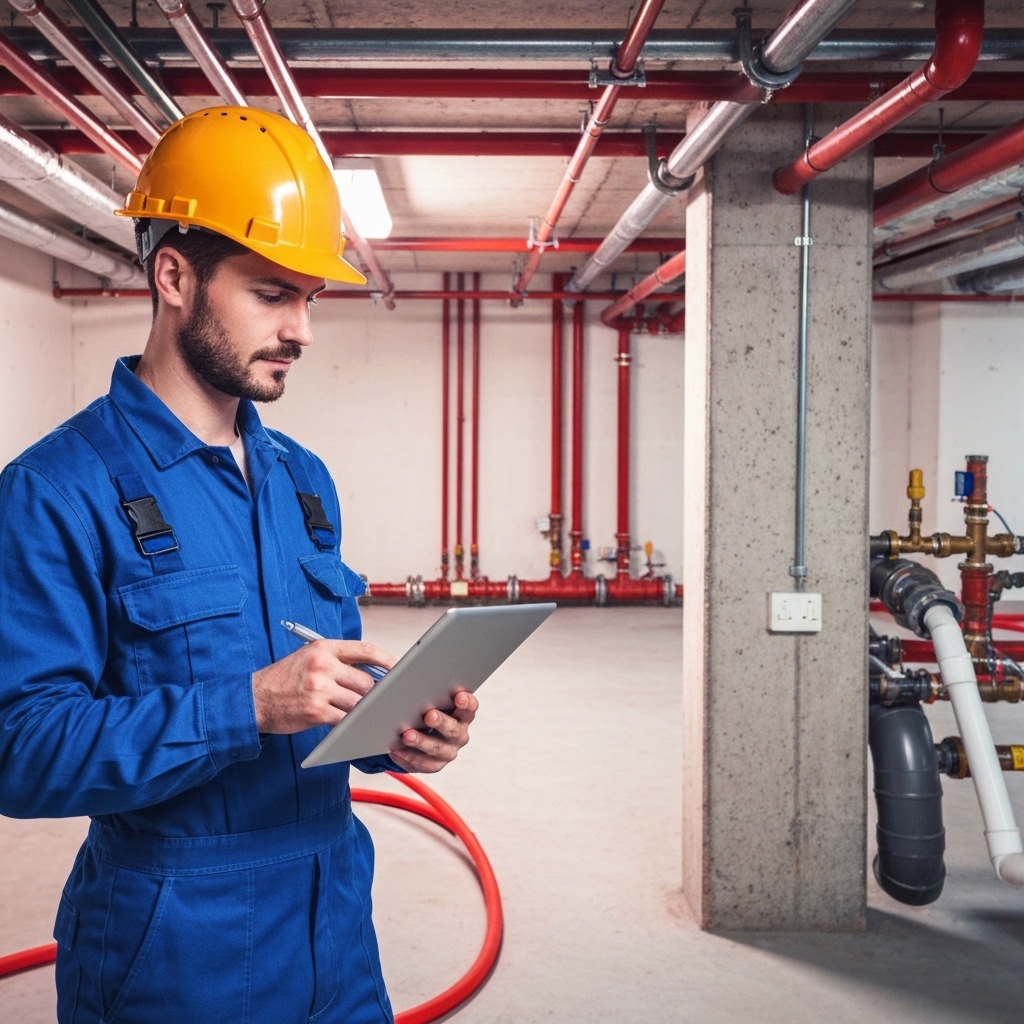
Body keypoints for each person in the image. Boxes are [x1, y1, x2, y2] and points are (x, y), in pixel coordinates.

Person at [0, 105, 478, 1024]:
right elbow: (20, 751)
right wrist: (246, 706)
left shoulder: (305, 482)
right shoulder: (57, 490)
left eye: (311, 298)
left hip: (335, 930)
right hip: (172, 955)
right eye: (271, 293)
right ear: (175, 276)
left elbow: (318, 693)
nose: (302, 329)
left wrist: (396, 734)